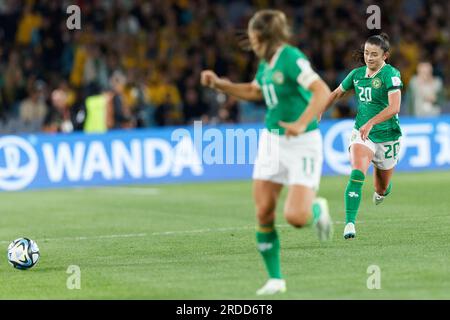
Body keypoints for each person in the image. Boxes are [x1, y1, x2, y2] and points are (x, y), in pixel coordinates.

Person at [200, 10, 333, 295]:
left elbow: (322, 92)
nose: (250, 43)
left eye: (252, 38)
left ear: (263, 37)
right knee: (263, 211)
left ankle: (317, 207)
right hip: (271, 142)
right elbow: (254, 91)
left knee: (297, 218)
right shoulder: (265, 63)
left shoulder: (292, 58)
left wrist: (300, 122)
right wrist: (220, 84)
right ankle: (276, 279)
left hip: (302, 142)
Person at [321, 33, 403, 239]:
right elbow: (336, 93)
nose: (369, 57)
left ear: (385, 56)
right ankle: (349, 223)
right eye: (366, 53)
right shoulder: (356, 75)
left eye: (374, 54)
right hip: (363, 134)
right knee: (357, 172)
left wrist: (372, 122)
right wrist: (319, 110)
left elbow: (394, 107)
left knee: (381, 188)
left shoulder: (391, 75)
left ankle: (383, 189)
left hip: (387, 135)